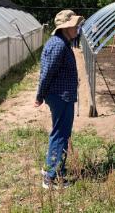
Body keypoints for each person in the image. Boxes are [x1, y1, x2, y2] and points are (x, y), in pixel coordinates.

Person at [34, 10, 84, 189]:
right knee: (61, 134)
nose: (78, 28)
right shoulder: (59, 45)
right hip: (60, 96)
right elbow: (46, 72)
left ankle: (53, 168)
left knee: (60, 132)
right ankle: (51, 178)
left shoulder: (62, 43)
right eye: (75, 26)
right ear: (66, 28)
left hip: (62, 95)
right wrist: (39, 96)